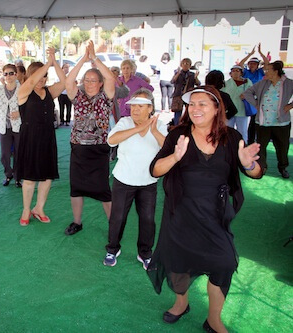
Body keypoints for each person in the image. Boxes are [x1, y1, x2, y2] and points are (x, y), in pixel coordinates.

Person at [147, 85, 263, 333]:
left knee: (224, 263)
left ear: (217, 108)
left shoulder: (231, 138)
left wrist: (248, 164)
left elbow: (256, 173)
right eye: (192, 104)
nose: (195, 109)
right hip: (180, 213)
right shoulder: (178, 134)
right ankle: (181, 303)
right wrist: (175, 158)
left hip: (214, 215)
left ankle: (214, 319)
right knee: (178, 262)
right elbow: (155, 170)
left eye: (203, 104)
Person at [103, 89, 166, 267]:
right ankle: (112, 249)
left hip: (148, 182)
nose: (135, 110)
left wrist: (152, 130)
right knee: (118, 218)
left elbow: (167, 147)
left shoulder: (159, 125)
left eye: (140, 106)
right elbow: (111, 140)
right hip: (123, 180)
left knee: (147, 219)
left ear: (150, 108)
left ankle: (145, 253)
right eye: (133, 106)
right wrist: (138, 127)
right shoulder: (125, 122)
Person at [63, 41, 116, 236]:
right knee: (76, 187)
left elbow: (110, 77)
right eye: (87, 80)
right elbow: (69, 81)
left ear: (100, 83)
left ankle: (113, 224)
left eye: (94, 80)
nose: (90, 83)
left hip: (99, 148)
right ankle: (77, 222)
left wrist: (94, 58)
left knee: (103, 189)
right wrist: (83, 59)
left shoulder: (106, 96)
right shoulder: (78, 96)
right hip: (78, 147)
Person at [17, 48, 66, 226]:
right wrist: (47, 63)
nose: (42, 80)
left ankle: (39, 208)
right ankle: (26, 209)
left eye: (45, 76)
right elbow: (31, 82)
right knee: (29, 178)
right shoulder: (24, 92)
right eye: (40, 76)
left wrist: (54, 62)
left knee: (47, 177)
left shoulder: (49, 92)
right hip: (30, 138)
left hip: (47, 137)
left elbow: (65, 81)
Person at [243, 60, 293, 179]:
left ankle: (283, 167)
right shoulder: (263, 83)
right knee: (261, 146)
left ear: (276, 71)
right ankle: (262, 167)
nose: (266, 72)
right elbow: (247, 93)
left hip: (281, 123)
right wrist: (256, 104)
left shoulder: (289, 83)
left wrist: (290, 106)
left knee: (282, 147)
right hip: (263, 122)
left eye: (268, 70)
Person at [238, 43, 269, 144]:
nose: (252, 65)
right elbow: (240, 64)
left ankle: (252, 140)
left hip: (258, 97)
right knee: (244, 118)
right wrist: (250, 54)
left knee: (254, 119)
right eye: (250, 63)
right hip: (246, 97)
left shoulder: (260, 72)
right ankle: (244, 139)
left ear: (257, 65)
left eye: (254, 64)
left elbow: (267, 64)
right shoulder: (246, 72)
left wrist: (260, 53)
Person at [221, 65, 253, 142]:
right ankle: (227, 147)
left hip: (242, 110)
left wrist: (246, 95)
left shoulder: (247, 82)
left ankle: (243, 147)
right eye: (233, 71)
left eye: (237, 71)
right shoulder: (226, 83)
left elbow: (253, 93)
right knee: (227, 131)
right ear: (230, 73)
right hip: (229, 112)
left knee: (242, 131)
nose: (235, 73)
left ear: (241, 73)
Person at [171, 58, 200, 125]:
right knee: (177, 112)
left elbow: (198, 84)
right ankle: (176, 126)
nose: (185, 65)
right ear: (181, 65)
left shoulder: (192, 74)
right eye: (183, 64)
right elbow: (172, 81)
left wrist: (196, 78)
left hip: (188, 95)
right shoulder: (178, 73)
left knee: (189, 111)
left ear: (190, 66)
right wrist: (178, 74)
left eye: (187, 64)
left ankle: (188, 125)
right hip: (178, 95)